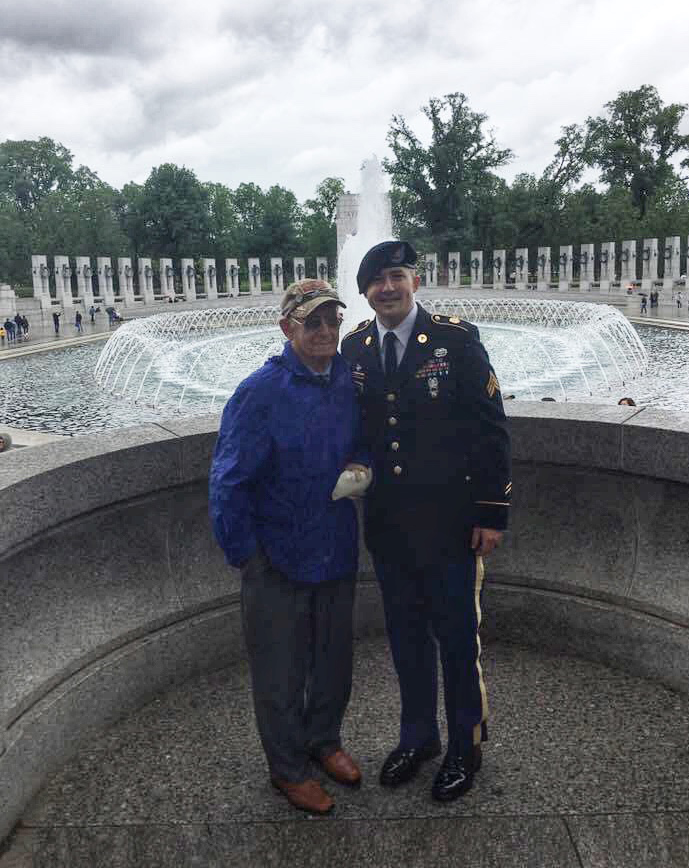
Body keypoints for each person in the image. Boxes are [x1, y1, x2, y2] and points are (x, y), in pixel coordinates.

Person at [342, 241, 511, 804]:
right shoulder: (356, 347)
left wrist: (491, 512)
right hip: (389, 525)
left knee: (458, 638)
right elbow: (359, 430)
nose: (387, 288)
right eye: (376, 281)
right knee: (407, 639)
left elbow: (490, 430)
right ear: (364, 291)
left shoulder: (455, 340)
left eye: (396, 276)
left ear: (415, 280)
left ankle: (467, 745)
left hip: (449, 522)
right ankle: (419, 737)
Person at [209, 279, 370, 816]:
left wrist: (360, 463)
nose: (326, 331)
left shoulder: (347, 377)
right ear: (287, 328)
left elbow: (364, 437)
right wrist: (246, 556)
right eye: (313, 322)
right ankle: (287, 768)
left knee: (333, 661)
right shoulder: (260, 391)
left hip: (335, 545)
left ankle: (323, 741)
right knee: (279, 673)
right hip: (275, 555)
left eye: (332, 320)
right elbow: (228, 481)